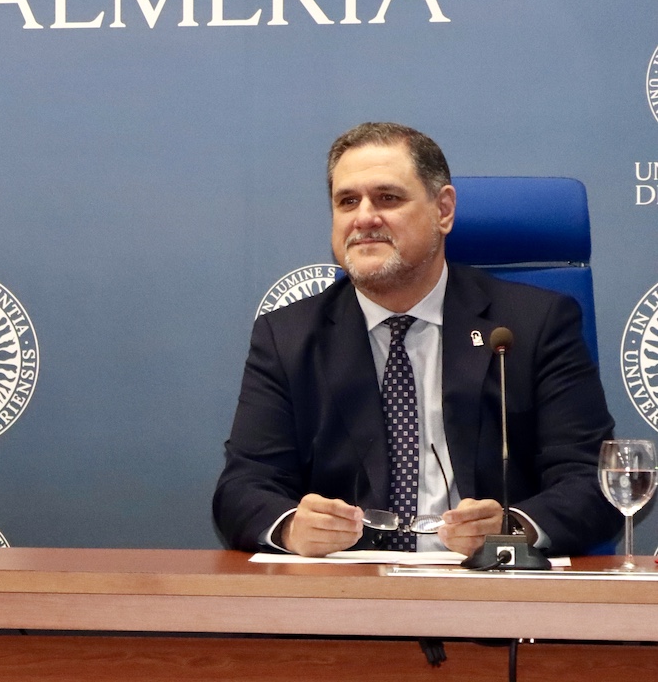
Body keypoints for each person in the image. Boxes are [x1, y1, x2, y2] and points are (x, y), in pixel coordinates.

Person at [213, 123, 618, 557]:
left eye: (387, 198)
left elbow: (592, 481)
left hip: (488, 585)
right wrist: (293, 527)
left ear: (443, 210)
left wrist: (512, 528)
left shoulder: (533, 325)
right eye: (347, 201)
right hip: (347, 588)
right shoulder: (287, 337)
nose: (364, 218)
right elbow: (242, 487)